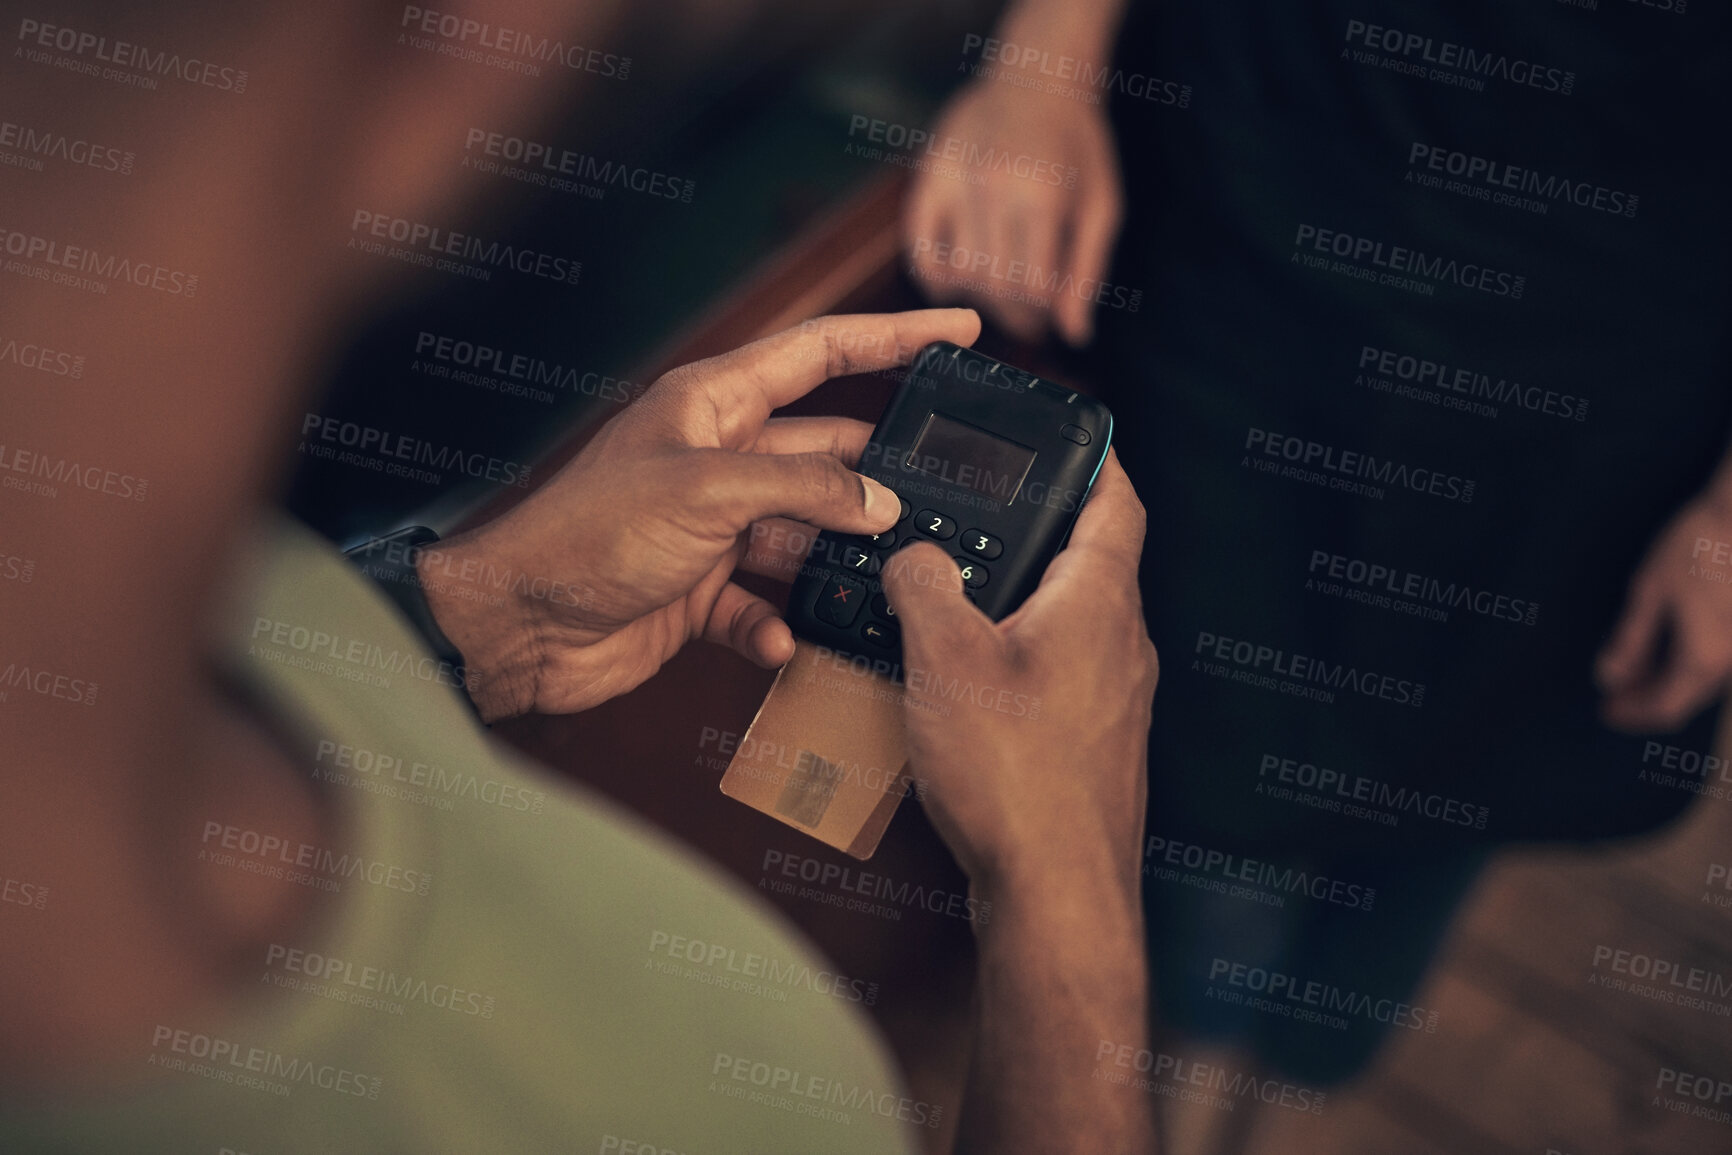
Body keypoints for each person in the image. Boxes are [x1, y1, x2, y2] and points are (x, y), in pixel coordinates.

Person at [0, 2, 1161, 1151]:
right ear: (462, 43)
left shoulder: (241, 589)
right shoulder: (712, 1088)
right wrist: (1069, 898)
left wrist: (471, 614)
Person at [906, 0, 1732, 1085]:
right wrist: (1043, 68)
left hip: (1615, 359)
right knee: (1191, 767)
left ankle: (1307, 1061)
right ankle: (1198, 1048)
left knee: (1451, 795)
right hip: (1262, 214)